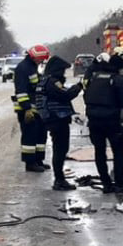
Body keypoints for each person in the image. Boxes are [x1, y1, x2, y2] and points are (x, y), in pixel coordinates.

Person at [82, 52, 123, 193]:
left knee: (99, 152)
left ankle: (106, 184)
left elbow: (86, 97)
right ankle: (120, 183)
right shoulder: (116, 80)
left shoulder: (94, 77)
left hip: (93, 121)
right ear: (118, 68)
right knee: (118, 151)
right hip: (111, 121)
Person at [38, 55, 83, 190]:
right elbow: (65, 95)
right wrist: (79, 86)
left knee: (60, 149)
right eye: (62, 70)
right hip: (57, 119)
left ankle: (60, 178)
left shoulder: (45, 80)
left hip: (53, 119)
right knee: (60, 149)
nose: (63, 73)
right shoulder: (52, 82)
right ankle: (59, 180)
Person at [12, 44, 51, 172]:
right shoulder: (23, 68)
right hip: (27, 109)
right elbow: (21, 91)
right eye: (42, 59)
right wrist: (26, 108)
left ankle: (38, 160)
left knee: (40, 134)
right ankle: (30, 163)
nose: (42, 61)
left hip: (36, 108)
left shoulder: (32, 67)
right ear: (35, 57)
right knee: (30, 136)